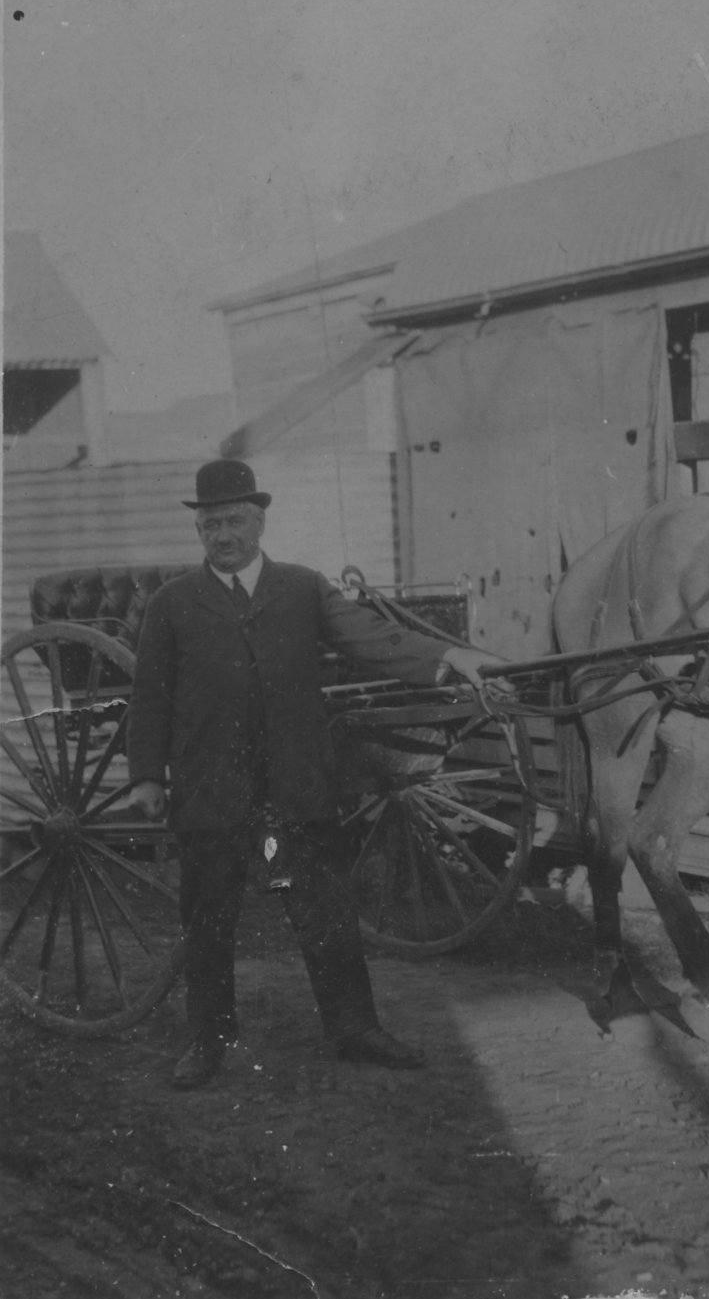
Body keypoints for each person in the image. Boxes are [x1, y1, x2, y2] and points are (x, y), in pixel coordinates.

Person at [127, 458, 502, 1090]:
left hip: (293, 788)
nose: (224, 536)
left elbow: (368, 635)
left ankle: (355, 1029)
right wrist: (147, 777)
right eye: (212, 524)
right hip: (210, 789)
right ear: (199, 531)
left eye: (236, 521)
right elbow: (149, 697)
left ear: (260, 520)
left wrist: (447, 655)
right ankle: (208, 1041)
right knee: (209, 918)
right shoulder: (171, 604)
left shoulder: (302, 587)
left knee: (325, 911)